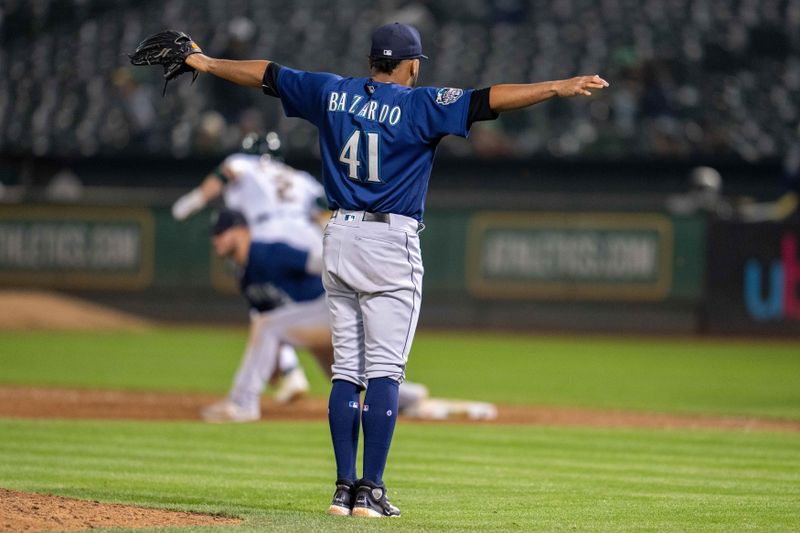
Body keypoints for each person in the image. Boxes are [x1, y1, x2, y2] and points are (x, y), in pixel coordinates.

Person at [162, 22, 608, 518]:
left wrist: (203, 62)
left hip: (340, 235)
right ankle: (371, 490)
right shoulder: (421, 104)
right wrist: (557, 86)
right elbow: (490, 100)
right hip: (390, 241)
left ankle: (342, 489)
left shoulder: (332, 92)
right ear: (412, 64)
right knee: (384, 372)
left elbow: (265, 74)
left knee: (346, 372)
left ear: (373, 60)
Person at [207, 207, 438, 423]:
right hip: (312, 321)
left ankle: (243, 403)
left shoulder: (268, 252)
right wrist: (273, 362)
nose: (215, 240)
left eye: (221, 233)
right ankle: (408, 398)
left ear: (241, 231)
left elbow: (320, 262)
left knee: (269, 326)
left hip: (330, 308)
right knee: (342, 372)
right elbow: (267, 321)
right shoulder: (244, 274)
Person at [173, 132, 326, 408]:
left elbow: (225, 173)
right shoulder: (300, 177)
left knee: (267, 306)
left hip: (267, 235)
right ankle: (292, 371)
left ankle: (281, 377)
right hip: (308, 234)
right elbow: (325, 209)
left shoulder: (246, 163)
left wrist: (196, 198)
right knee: (300, 303)